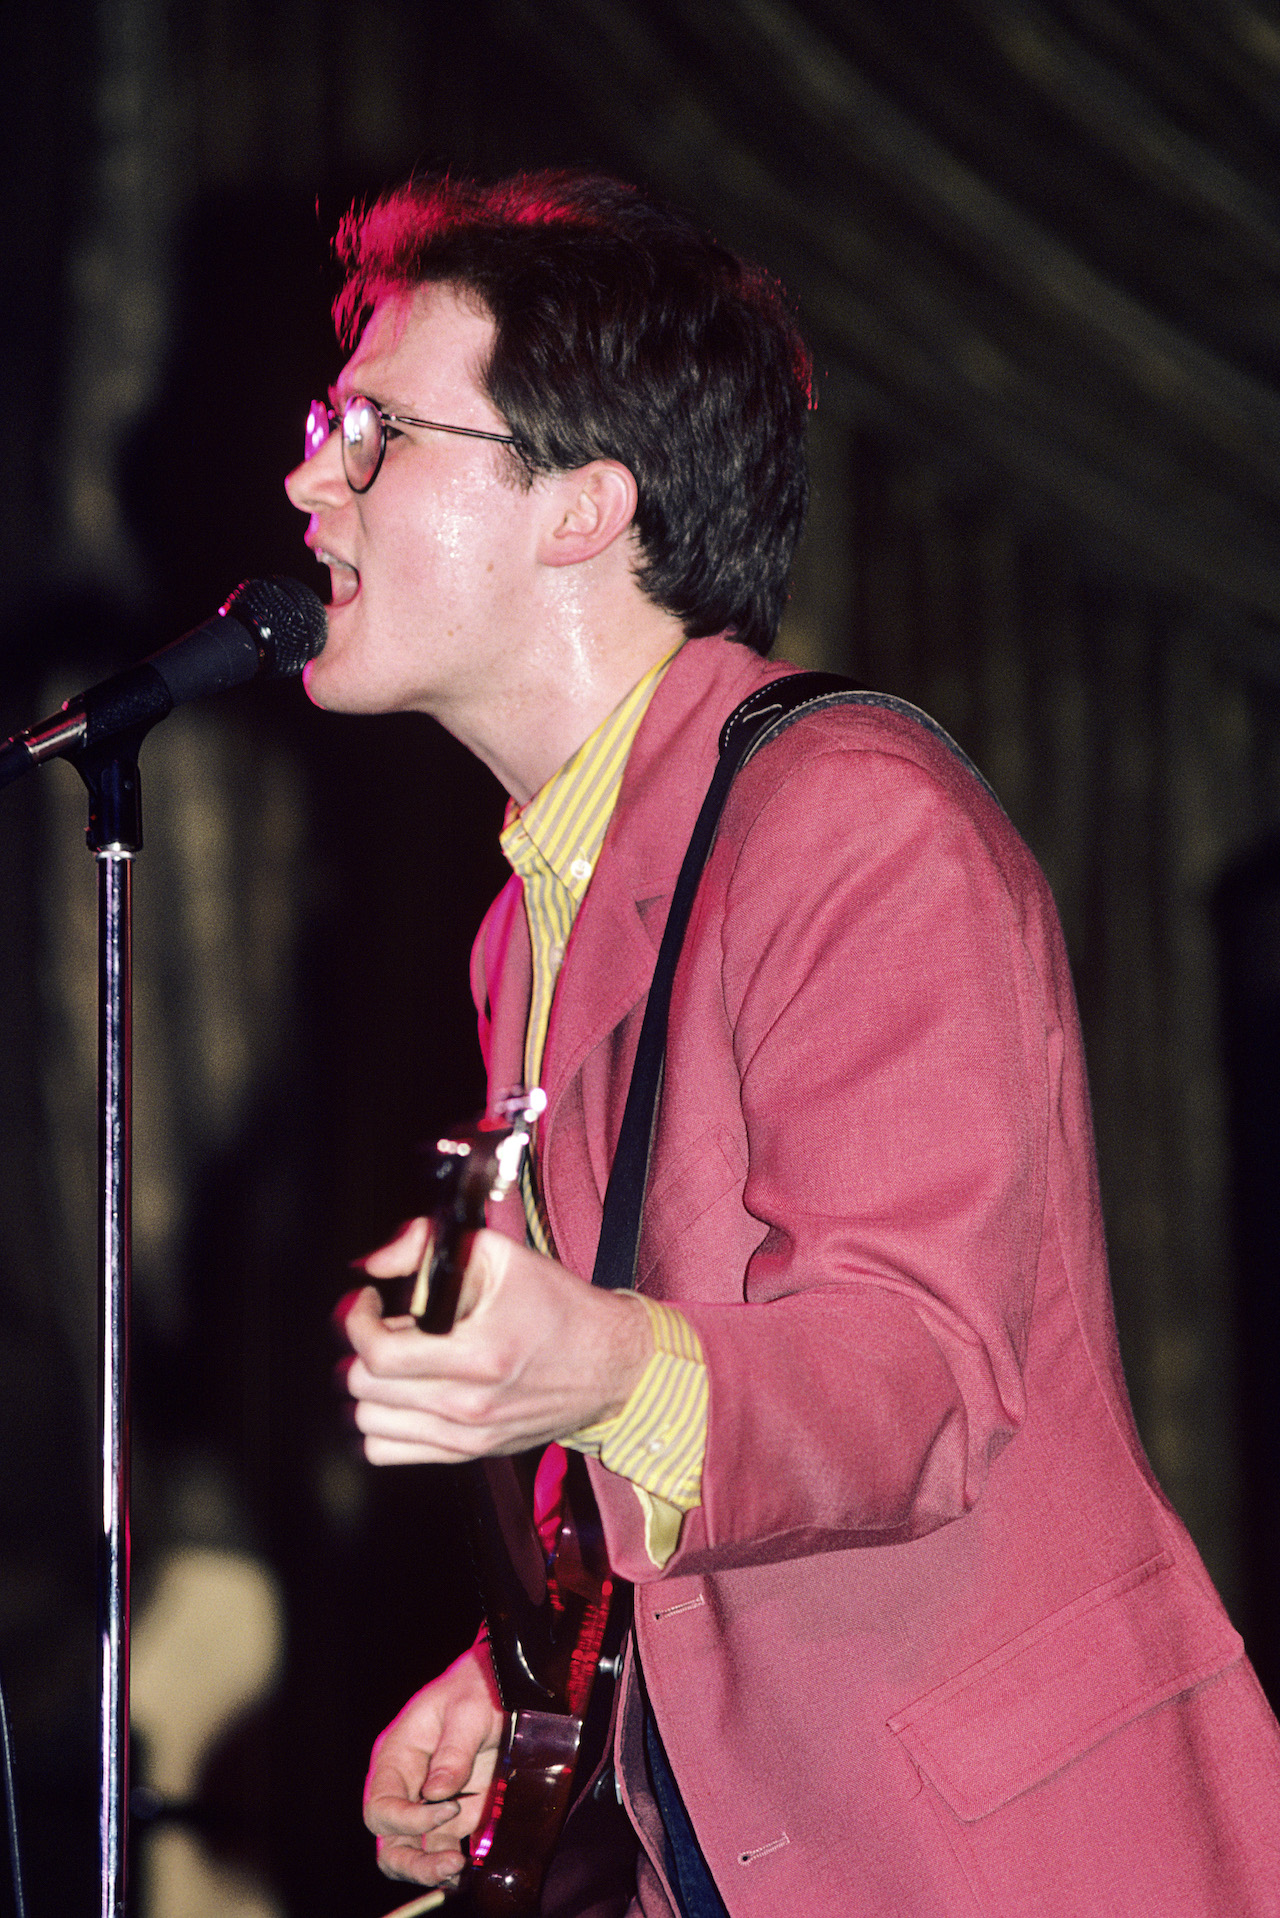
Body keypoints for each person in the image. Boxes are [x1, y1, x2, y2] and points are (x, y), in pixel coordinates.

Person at [285, 171, 1280, 1917]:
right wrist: (533, 1681)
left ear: (586, 504)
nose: (307, 478)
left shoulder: (852, 816)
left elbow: (915, 1377)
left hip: (1024, 1861)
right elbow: (689, 1420)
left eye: (373, 432)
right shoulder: (533, 912)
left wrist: (581, 1363)